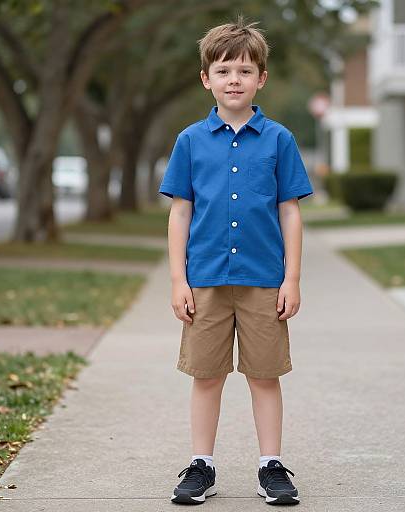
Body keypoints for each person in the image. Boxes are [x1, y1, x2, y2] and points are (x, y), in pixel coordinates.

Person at [159, 14, 314, 506]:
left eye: (245, 71)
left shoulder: (279, 140)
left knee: (264, 375)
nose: (234, 79)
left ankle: (272, 466)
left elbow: (289, 212)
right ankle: (201, 465)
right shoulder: (190, 141)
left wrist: (292, 278)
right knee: (206, 376)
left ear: (261, 78)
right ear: (206, 78)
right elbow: (180, 213)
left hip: (264, 279)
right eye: (224, 70)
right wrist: (177, 280)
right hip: (204, 278)